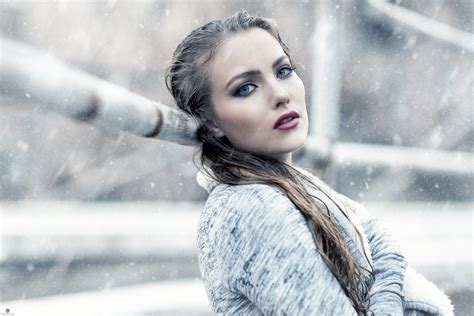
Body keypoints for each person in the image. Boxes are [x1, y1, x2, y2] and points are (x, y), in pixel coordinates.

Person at [165, 10, 454, 316]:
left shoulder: (283, 189)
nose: (280, 94)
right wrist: (384, 250)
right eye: (246, 88)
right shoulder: (250, 209)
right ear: (210, 121)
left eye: (283, 71)